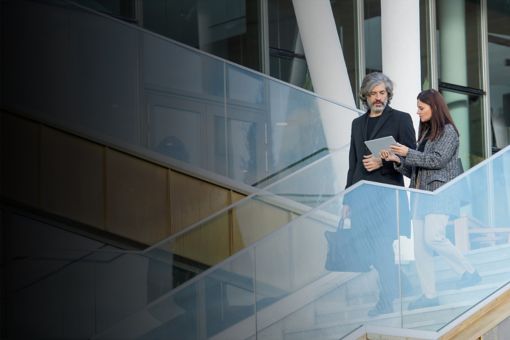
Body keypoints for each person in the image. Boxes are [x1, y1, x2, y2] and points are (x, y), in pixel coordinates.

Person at [381, 89, 481, 310]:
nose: (417, 112)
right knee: (420, 248)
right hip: (420, 196)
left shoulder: (449, 132)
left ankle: (469, 272)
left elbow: (437, 160)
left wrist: (408, 152)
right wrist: (397, 159)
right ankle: (429, 294)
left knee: (433, 237)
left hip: (440, 194)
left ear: (434, 107)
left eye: (421, 108)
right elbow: (416, 169)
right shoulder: (425, 135)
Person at [343, 72, 416, 317]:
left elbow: (411, 160)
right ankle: (403, 282)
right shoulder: (357, 124)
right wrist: (347, 200)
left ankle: (386, 300)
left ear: (388, 95)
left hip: (386, 197)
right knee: (366, 249)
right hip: (361, 197)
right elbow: (352, 163)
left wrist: (382, 162)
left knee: (382, 247)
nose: (378, 98)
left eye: (382, 93)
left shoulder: (401, 119)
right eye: (373, 93)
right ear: (365, 96)